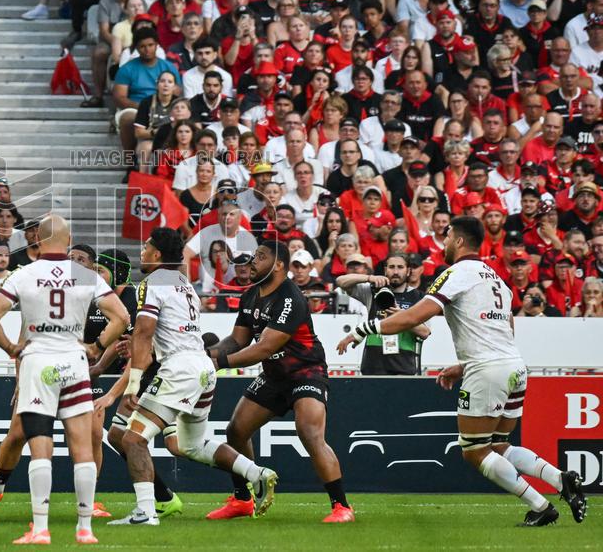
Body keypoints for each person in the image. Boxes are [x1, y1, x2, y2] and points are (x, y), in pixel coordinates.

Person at [338, 215, 587, 526]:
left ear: (457, 240)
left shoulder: (455, 273)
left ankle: (540, 505)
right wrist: (464, 364)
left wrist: (363, 329)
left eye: (446, 237)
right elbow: (505, 329)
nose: (443, 244)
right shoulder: (496, 278)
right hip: (514, 367)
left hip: (488, 370)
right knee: (498, 445)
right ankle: (560, 478)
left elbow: (413, 316)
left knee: (473, 451)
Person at [107, 227, 277, 526]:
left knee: (131, 439)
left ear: (157, 253)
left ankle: (146, 512)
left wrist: (133, 384)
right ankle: (256, 473)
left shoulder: (153, 282)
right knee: (191, 446)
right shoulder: (184, 284)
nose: (142, 252)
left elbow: (145, 332)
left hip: (179, 367)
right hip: (202, 366)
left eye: (146, 247)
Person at [0, 215, 129, 545]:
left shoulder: (23, 274)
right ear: (69, 238)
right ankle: (85, 529)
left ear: (37, 240)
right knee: (83, 448)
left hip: (37, 361)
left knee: (40, 449)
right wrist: (97, 346)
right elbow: (122, 317)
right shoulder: (86, 276)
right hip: (73, 361)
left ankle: (41, 528)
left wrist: (11, 348)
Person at [206, 240, 353, 522]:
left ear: (279, 265)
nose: (252, 262)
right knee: (236, 431)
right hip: (274, 376)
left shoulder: (291, 298)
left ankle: (341, 507)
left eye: (260, 257)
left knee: (309, 432)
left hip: (306, 372)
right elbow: (237, 340)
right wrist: (207, 354)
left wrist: (219, 363)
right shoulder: (251, 295)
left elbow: (264, 348)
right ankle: (242, 500)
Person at [336, 253, 430, 374]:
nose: (395, 271)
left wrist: (404, 317)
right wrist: (368, 278)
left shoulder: (419, 297)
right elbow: (340, 281)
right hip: (373, 366)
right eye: (391, 267)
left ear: (408, 271)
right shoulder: (372, 290)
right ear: (385, 270)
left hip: (404, 367)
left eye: (400, 267)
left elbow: (425, 332)